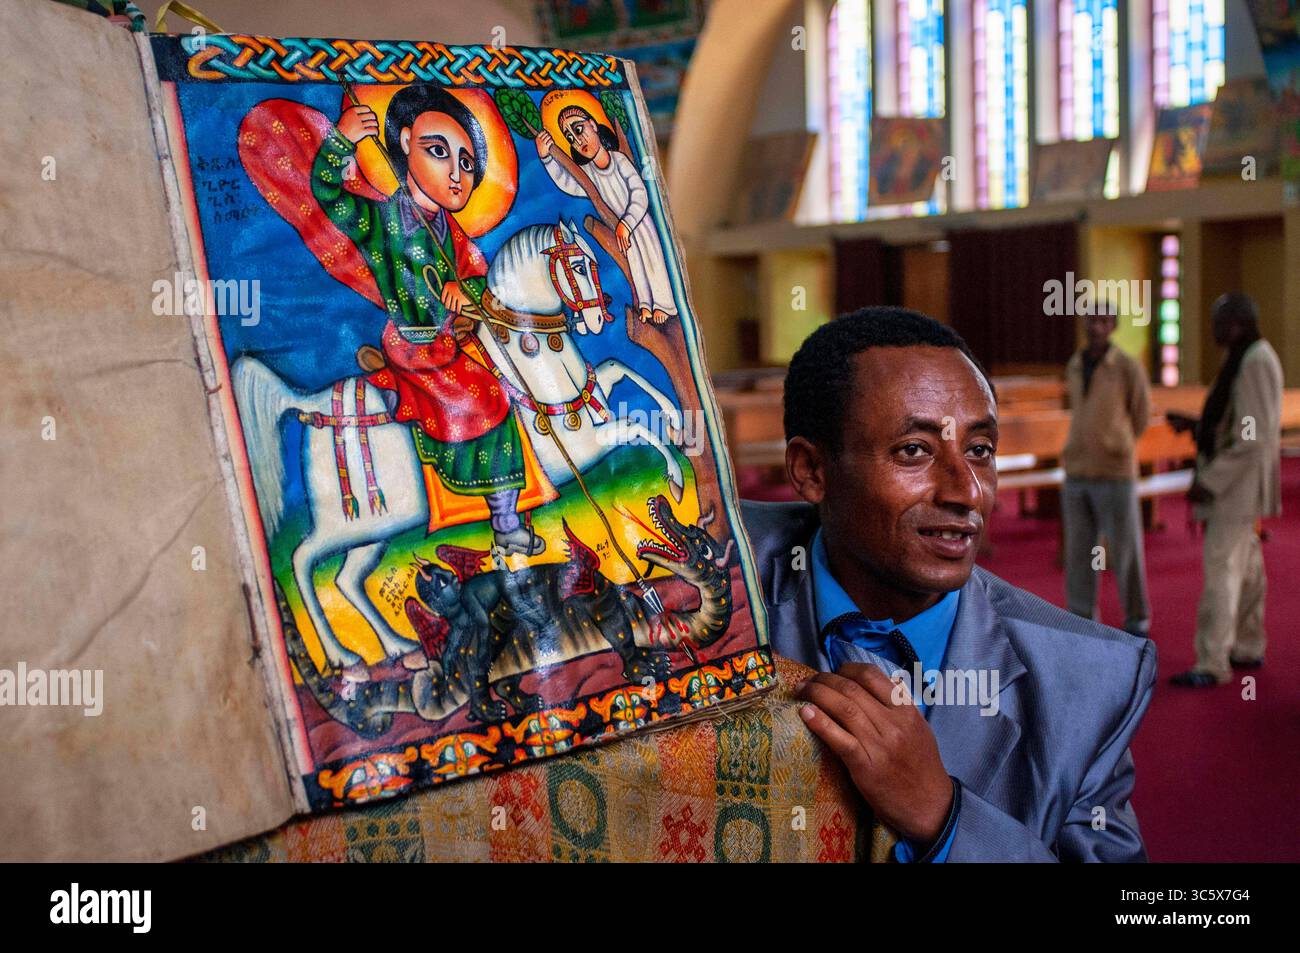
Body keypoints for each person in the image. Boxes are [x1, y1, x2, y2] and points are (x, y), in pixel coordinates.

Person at [742, 307, 1155, 861]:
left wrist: (942, 817)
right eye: (914, 451)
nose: (967, 492)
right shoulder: (707, 583)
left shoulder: (1086, 686)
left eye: (979, 451)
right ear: (811, 471)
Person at [313, 84, 546, 556]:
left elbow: (480, 276)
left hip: (452, 340)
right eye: (438, 152)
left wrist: (469, 290)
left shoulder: (453, 231)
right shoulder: (380, 221)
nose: (456, 174)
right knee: (490, 397)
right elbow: (327, 195)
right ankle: (505, 523)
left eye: (467, 163)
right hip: (415, 344)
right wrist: (341, 140)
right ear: (402, 143)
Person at [1166, 293, 1283, 687]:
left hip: (1235, 487)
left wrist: (1209, 481)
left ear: (1236, 323)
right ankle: (1247, 645)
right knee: (1247, 568)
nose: (1213, 329)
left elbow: (1252, 437)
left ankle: (1211, 662)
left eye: (1218, 322)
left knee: (1222, 571)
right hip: (1241, 485)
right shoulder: (1244, 357)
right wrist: (1198, 426)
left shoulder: (1254, 362)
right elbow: (1235, 422)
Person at [535, 105, 678, 324]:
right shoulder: (589, 173)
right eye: (571, 138)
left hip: (639, 223)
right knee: (636, 265)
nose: (578, 141)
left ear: (593, 125)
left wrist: (627, 223)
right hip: (622, 228)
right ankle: (646, 304)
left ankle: (662, 303)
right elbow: (568, 184)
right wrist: (547, 159)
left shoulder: (619, 160)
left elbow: (639, 193)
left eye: (579, 130)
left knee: (652, 261)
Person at [1061, 310, 1152, 635]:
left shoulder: (1126, 366)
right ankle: (1081, 617)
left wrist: (1119, 442)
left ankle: (1137, 620)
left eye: (1103, 321)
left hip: (1115, 471)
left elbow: (1141, 412)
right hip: (1077, 469)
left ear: (1113, 326)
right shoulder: (1075, 363)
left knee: (1125, 551)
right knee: (1078, 553)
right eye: (1090, 321)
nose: (1095, 327)